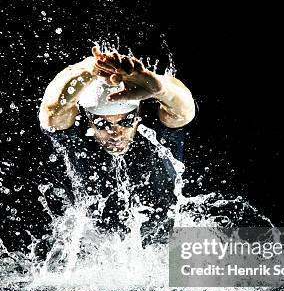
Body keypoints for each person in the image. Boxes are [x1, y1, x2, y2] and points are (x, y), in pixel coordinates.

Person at [39, 46, 195, 242]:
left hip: (166, 250)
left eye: (126, 121)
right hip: (97, 255)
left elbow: (184, 111)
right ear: (89, 122)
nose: (115, 133)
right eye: (103, 124)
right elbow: (52, 111)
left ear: (137, 118)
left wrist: (161, 90)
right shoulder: (77, 145)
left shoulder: (156, 140)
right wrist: (92, 68)